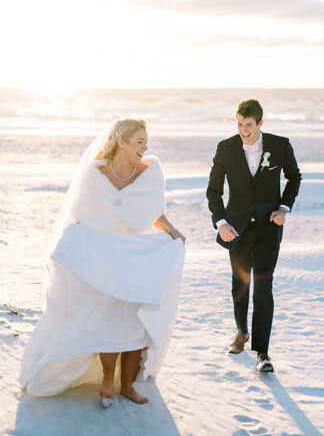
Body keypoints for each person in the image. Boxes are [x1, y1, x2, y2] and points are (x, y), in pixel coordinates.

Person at [20, 118, 185, 406]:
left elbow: (154, 212)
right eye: (139, 142)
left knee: (138, 321)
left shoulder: (151, 170)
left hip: (135, 254)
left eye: (146, 141)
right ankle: (109, 378)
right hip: (105, 254)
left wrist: (172, 232)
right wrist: (76, 242)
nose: (146, 147)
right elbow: (82, 215)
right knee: (108, 320)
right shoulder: (96, 172)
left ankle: (128, 385)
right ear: (122, 142)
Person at [206, 99, 301, 373]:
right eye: (239, 124)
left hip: (268, 228)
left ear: (260, 122)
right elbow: (213, 191)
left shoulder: (280, 145)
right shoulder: (225, 148)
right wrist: (221, 222)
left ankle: (263, 353)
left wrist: (284, 208)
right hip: (236, 230)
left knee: (263, 288)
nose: (243, 130)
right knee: (240, 284)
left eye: (248, 125)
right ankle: (241, 332)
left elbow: (295, 178)